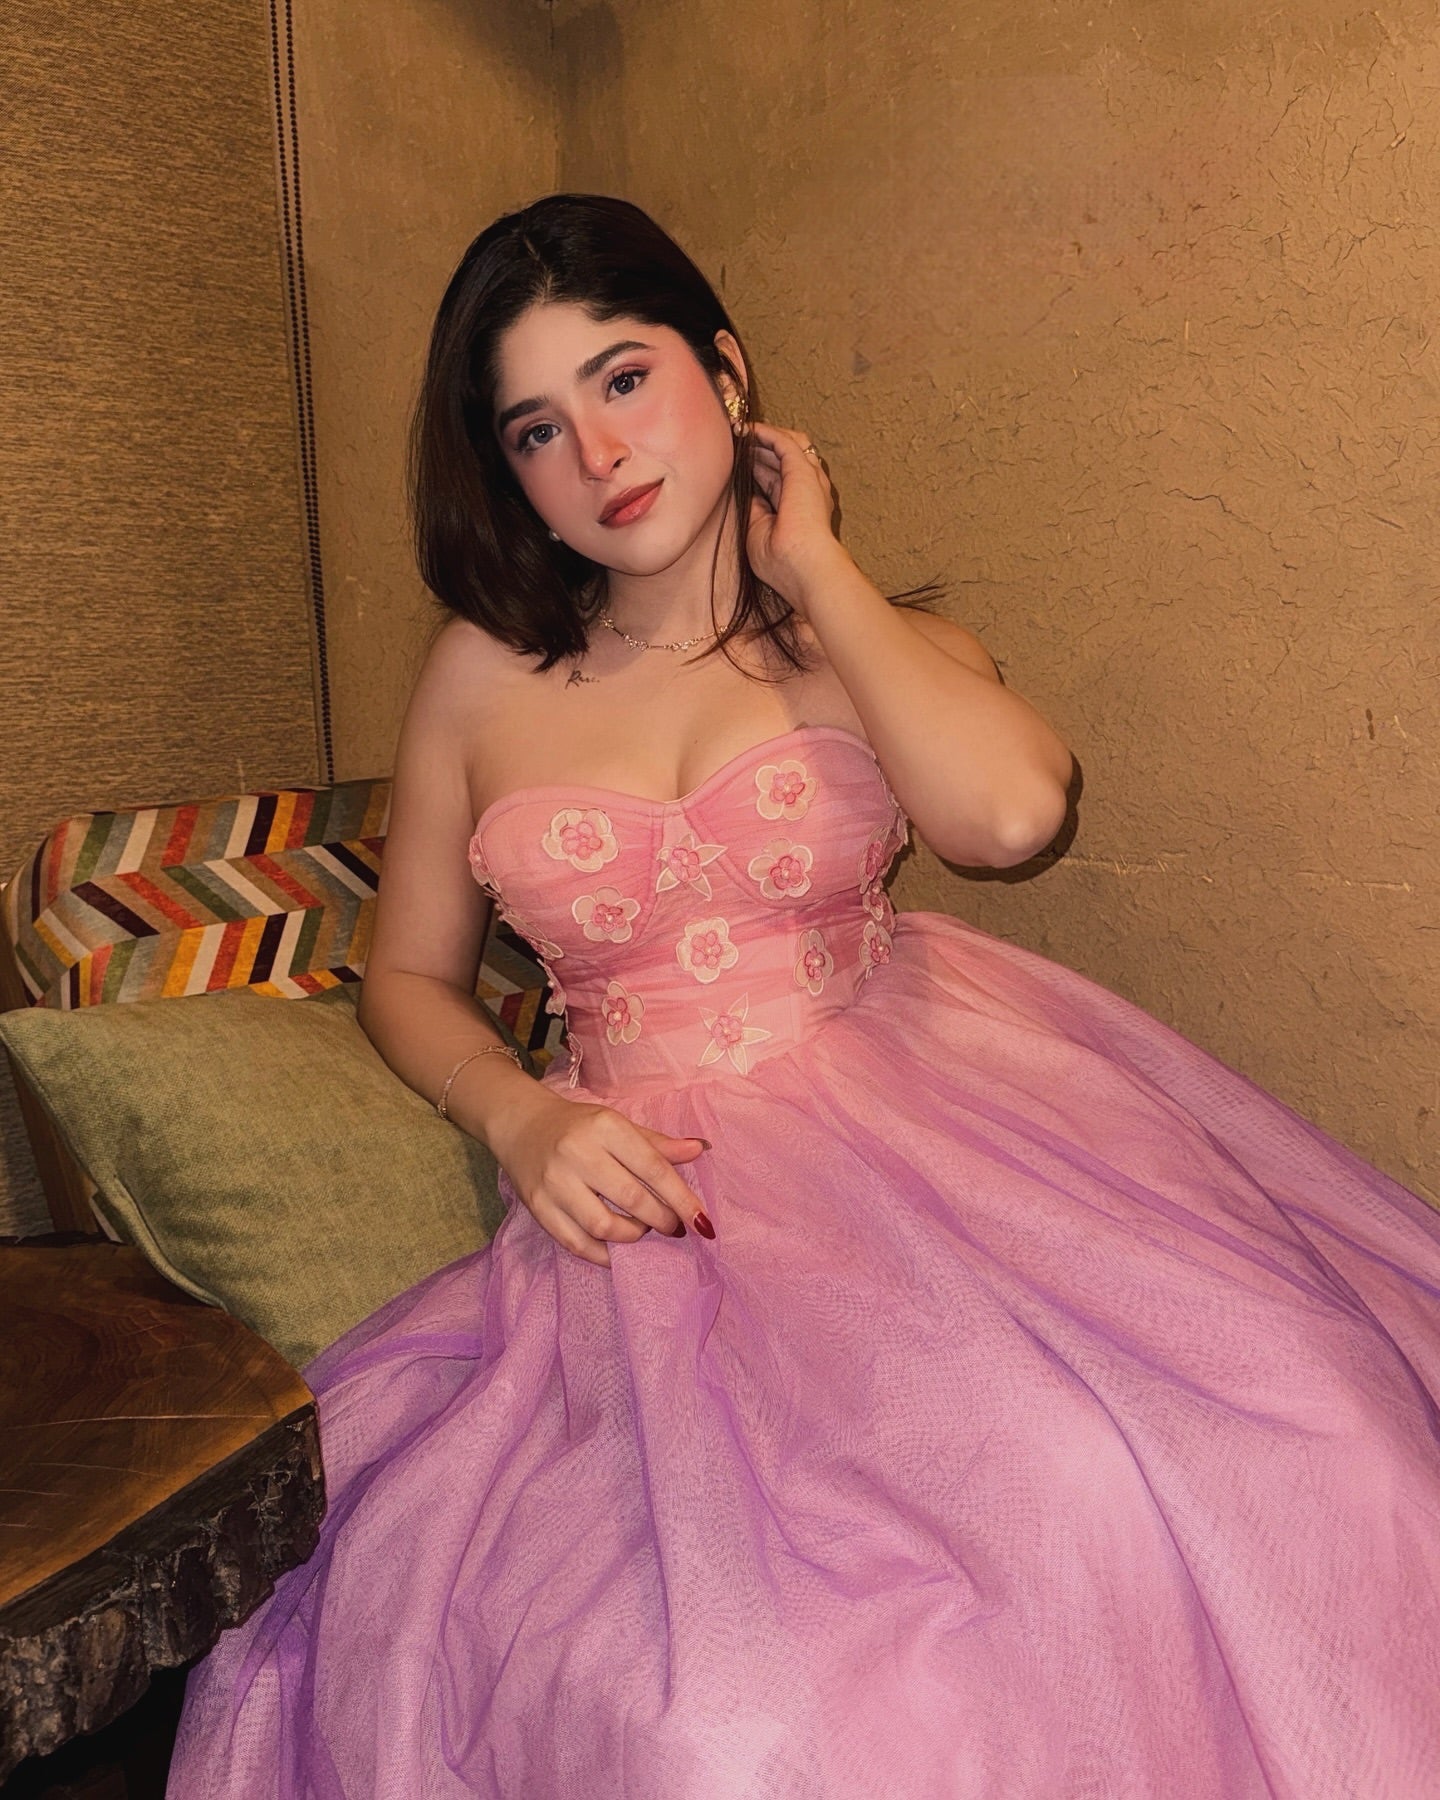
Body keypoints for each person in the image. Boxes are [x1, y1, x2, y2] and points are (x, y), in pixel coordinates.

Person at [168, 194, 1440, 1799]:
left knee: (1256, 1443)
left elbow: (1009, 821)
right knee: (732, 1703)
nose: (599, 453)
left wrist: (819, 566)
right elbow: (408, 980)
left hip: (943, 1122)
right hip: (660, 1202)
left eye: (626, 379)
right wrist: (520, 1118)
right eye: (538, 428)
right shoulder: (479, 677)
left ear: (725, 371)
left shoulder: (860, 640)